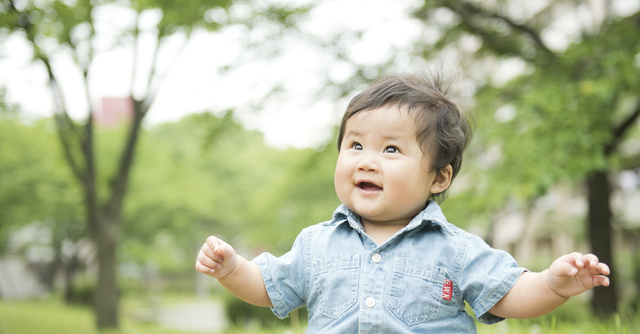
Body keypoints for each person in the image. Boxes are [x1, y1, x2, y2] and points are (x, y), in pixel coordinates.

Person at [195, 71, 610, 333]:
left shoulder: (456, 248)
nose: (368, 161)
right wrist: (233, 269)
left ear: (439, 177)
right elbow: (270, 287)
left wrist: (552, 285)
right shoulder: (316, 244)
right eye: (355, 145)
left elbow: (508, 294)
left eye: (391, 150)